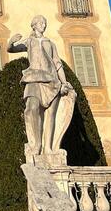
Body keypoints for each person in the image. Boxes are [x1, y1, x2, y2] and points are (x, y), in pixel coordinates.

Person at [7, 14, 75, 156]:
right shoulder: (29, 42)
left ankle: (48, 148)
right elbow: (11, 49)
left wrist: (64, 82)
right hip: (33, 78)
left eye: (44, 23)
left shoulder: (50, 43)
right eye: (41, 23)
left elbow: (57, 63)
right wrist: (11, 42)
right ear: (34, 25)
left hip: (52, 80)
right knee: (32, 108)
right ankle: (36, 144)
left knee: (50, 115)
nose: (44, 25)